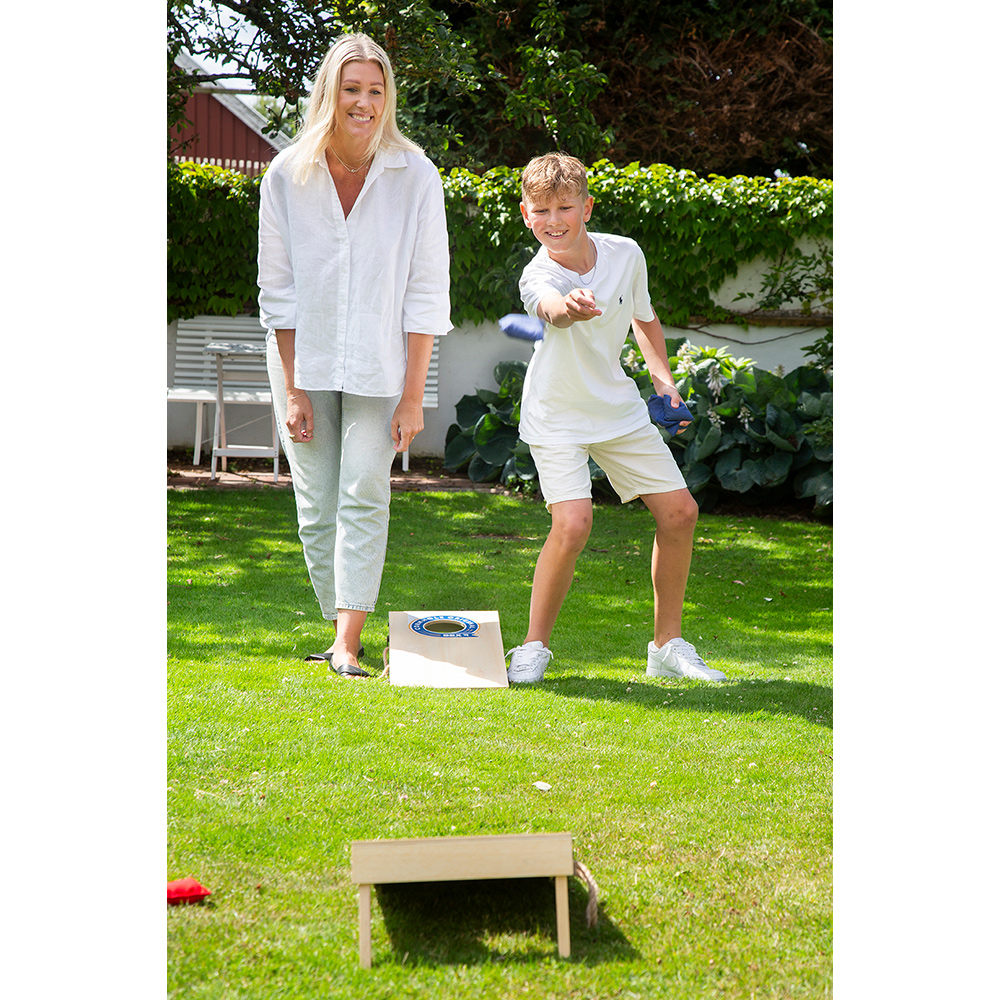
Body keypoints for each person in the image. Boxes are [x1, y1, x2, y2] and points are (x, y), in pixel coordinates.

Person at [257, 33, 452, 677]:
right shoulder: (288, 174)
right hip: (301, 363)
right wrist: (292, 388)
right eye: (351, 89)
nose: (363, 103)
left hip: (383, 365)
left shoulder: (416, 175)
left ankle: (348, 640)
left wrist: (414, 394)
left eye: (375, 90)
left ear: (387, 97)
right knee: (316, 505)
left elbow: (427, 291)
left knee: (365, 491)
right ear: (329, 94)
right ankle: (341, 615)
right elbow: (277, 291)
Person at [504, 152, 725, 684]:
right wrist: (569, 307)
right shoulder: (538, 273)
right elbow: (549, 308)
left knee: (680, 514)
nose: (554, 220)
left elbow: (644, 319)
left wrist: (663, 380)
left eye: (565, 206)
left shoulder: (625, 254)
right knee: (574, 523)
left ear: (587, 206)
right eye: (542, 210)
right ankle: (532, 647)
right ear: (525, 214)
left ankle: (667, 646)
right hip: (555, 414)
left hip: (616, 408)